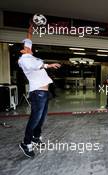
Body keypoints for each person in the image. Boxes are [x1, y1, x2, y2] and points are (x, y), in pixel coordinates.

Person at [18, 24, 61, 158]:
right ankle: (26, 143)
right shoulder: (23, 60)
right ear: (22, 50)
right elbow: (36, 66)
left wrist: (30, 27)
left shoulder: (30, 56)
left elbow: (29, 38)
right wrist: (49, 65)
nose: (29, 47)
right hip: (38, 93)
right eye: (26, 47)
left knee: (41, 119)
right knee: (35, 119)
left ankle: (36, 138)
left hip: (44, 93)